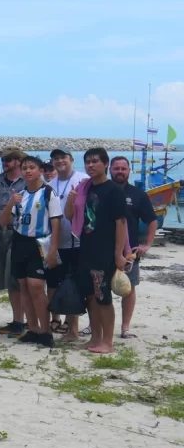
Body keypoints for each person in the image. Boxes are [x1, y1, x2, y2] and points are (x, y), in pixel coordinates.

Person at [67, 148, 126, 354]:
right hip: (85, 249)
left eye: (95, 162)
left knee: (103, 297)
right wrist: (71, 199)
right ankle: (95, 338)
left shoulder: (113, 191)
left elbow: (121, 223)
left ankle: (107, 342)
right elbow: (70, 215)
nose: (91, 165)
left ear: (105, 164)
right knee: (90, 296)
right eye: (87, 162)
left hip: (104, 252)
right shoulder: (85, 188)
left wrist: (119, 254)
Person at [0, 156, 61, 348]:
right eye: (24, 168)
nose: (27, 171)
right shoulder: (20, 194)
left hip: (39, 243)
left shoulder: (48, 193)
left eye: (32, 167)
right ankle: (33, 329)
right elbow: (3, 222)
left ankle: (46, 330)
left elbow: (56, 223)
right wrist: (11, 203)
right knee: (23, 286)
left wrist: (53, 250)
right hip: (20, 243)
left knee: (36, 286)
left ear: (40, 171)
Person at [110, 156, 156, 339]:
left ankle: (125, 327)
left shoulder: (138, 194)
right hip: (104, 248)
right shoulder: (101, 191)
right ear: (110, 170)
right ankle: (94, 324)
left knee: (129, 288)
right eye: (116, 168)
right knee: (100, 288)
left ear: (129, 171)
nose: (120, 171)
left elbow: (152, 220)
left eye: (123, 168)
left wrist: (147, 244)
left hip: (129, 252)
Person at [46, 147, 87, 340]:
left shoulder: (83, 180)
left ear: (71, 159)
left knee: (74, 284)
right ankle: (55, 319)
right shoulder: (50, 184)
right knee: (53, 282)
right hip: (55, 241)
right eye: (56, 158)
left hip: (77, 242)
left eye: (63, 157)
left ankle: (72, 328)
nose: (59, 161)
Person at [0, 147, 27, 338]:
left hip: (19, 231)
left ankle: (22, 321)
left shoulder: (27, 181)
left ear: (18, 161)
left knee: (17, 279)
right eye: (4, 160)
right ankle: (17, 320)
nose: (6, 163)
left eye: (10, 159)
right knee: (5, 277)